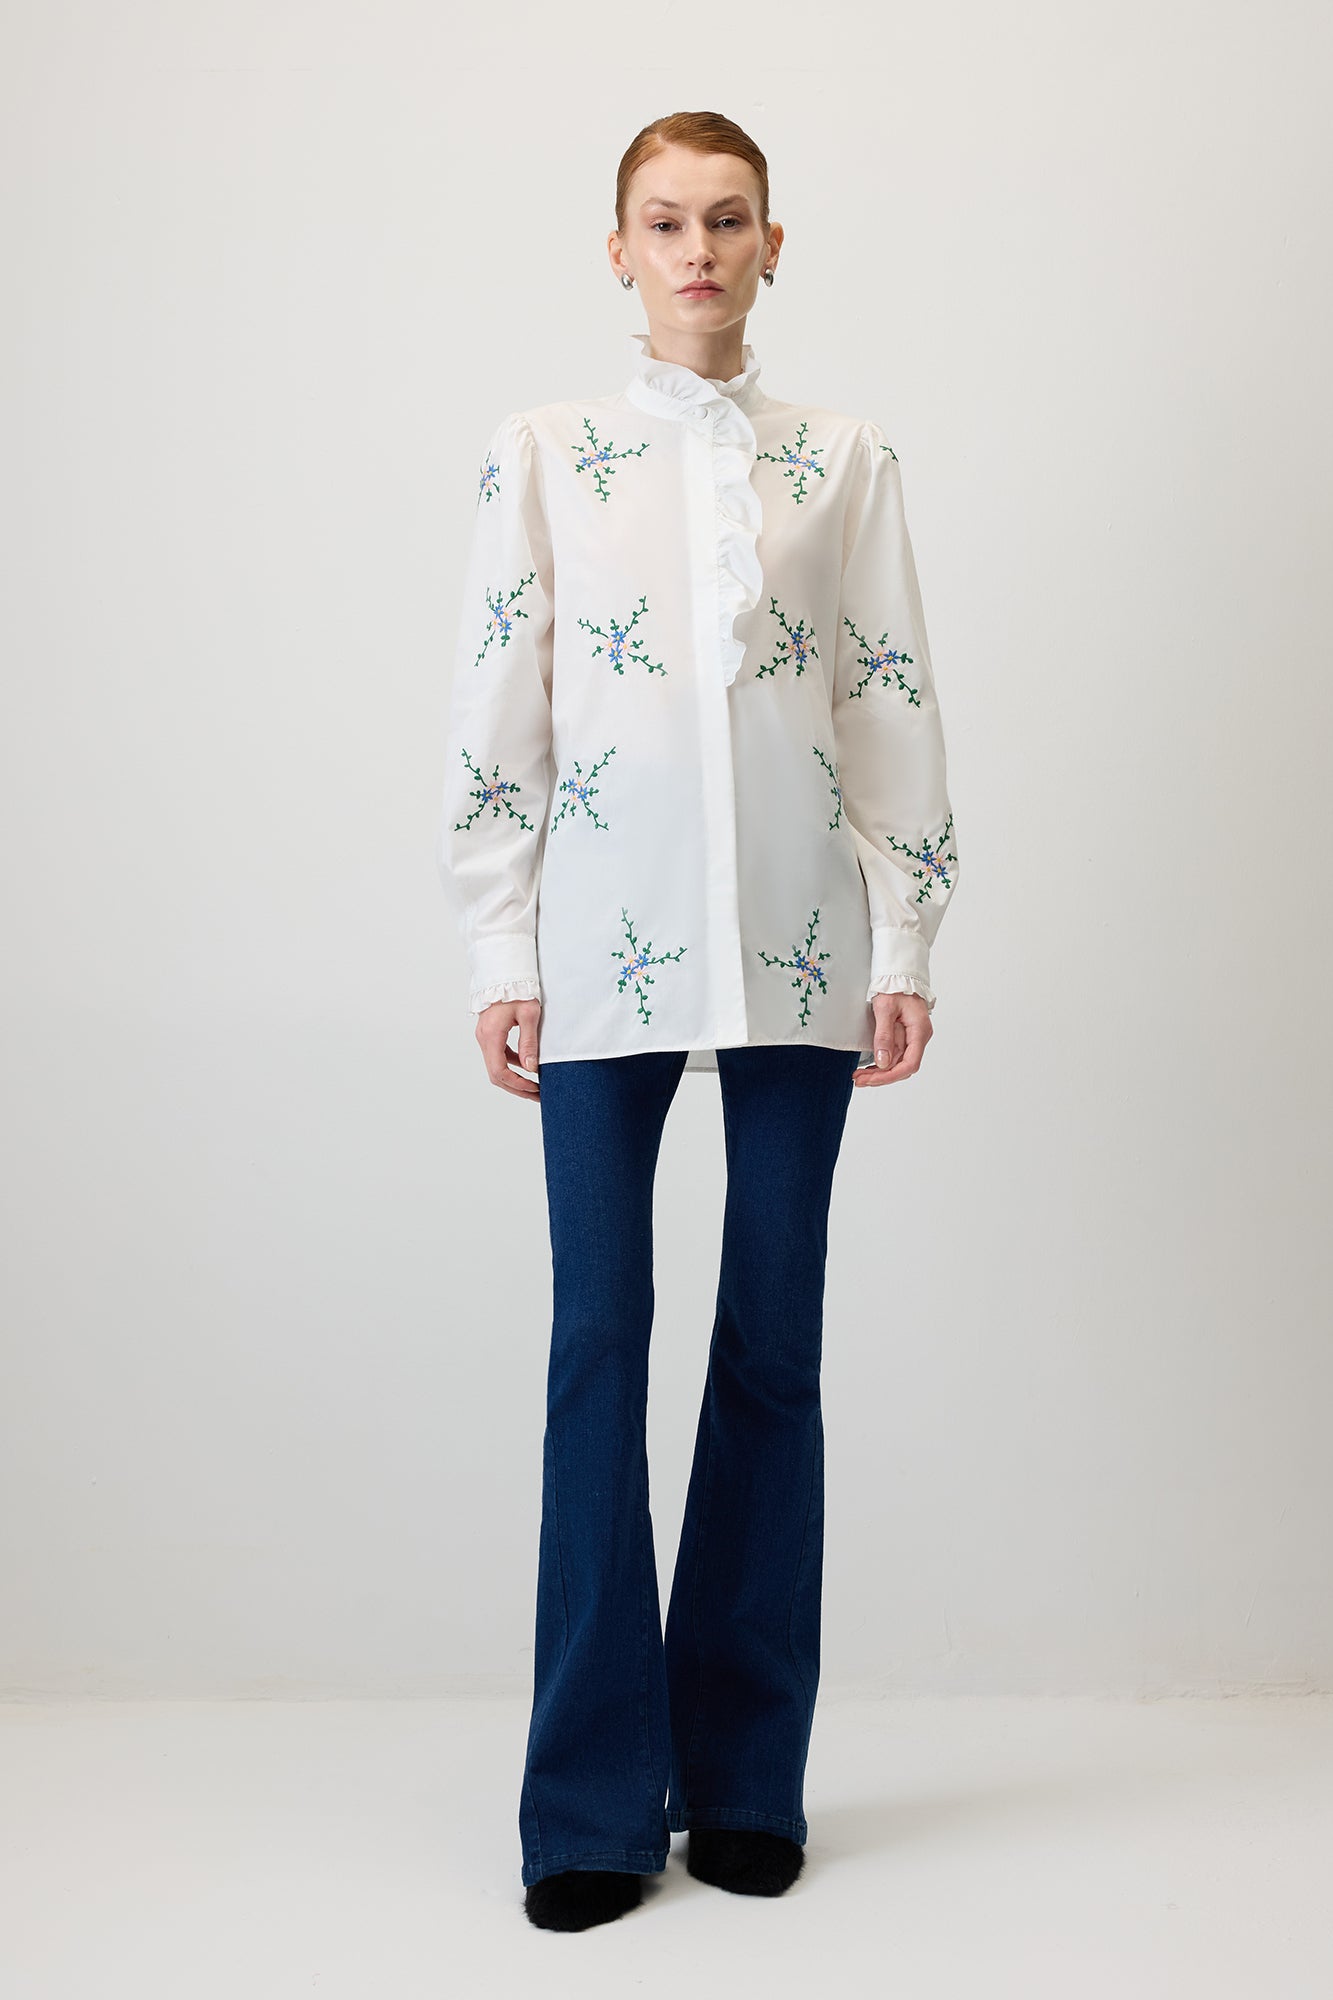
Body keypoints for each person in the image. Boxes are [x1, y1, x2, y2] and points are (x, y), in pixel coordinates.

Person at [436, 111, 960, 1932]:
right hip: (601, 949)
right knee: (600, 1343)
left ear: (770, 243)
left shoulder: (842, 458)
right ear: (618, 249)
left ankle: (742, 1779)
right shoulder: (542, 454)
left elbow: (886, 694)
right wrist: (499, 948)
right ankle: (589, 1808)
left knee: (772, 1345)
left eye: (726, 220)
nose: (697, 252)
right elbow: (501, 704)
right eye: (663, 222)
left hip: (802, 946)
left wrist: (907, 929)